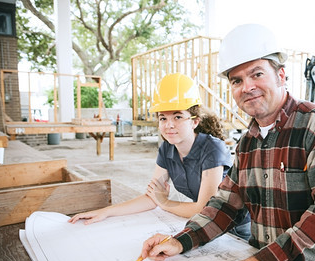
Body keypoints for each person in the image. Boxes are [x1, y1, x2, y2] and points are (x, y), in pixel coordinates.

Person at [136, 24, 315, 261]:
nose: (247, 87)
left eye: (257, 74)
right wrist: (181, 241)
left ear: (281, 75)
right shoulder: (248, 142)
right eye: (236, 81)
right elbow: (226, 204)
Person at [69, 73, 251, 241]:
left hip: (237, 228)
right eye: (163, 118)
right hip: (208, 225)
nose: (169, 125)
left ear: (195, 121)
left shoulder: (212, 148)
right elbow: (151, 198)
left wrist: (164, 202)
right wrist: (106, 212)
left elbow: (204, 208)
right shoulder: (167, 149)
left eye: (178, 116)